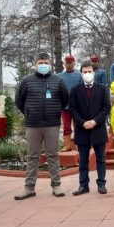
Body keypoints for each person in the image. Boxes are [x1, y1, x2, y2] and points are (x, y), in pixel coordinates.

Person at [14, 52, 69, 200]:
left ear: (50, 64)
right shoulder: (26, 81)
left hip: (52, 124)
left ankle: (56, 185)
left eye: (46, 63)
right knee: (32, 156)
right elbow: (19, 100)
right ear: (35, 64)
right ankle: (29, 188)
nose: (43, 65)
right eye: (40, 63)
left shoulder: (58, 81)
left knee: (53, 155)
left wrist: (55, 111)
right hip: (33, 125)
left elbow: (65, 99)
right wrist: (29, 112)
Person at [69, 61, 112, 195]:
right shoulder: (75, 90)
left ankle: (101, 184)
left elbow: (106, 107)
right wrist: (82, 123)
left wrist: (95, 121)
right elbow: (73, 109)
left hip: (98, 128)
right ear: (81, 73)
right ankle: (83, 185)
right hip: (82, 129)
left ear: (94, 72)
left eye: (89, 71)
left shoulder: (102, 88)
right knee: (83, 159)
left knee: (100, 158)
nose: (87, 74)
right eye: (85, 72)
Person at [57, 55, 82, 152]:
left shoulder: (79, 75)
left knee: (78, 126)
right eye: (67, 63)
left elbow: (82, 89)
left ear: (74, 63)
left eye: (70, 63)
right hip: (65, 106)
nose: (68, 64)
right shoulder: (59, 76)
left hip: (77, 106)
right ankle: (67, 145)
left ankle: (79, 145)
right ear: (64, 63)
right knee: (66, 127)